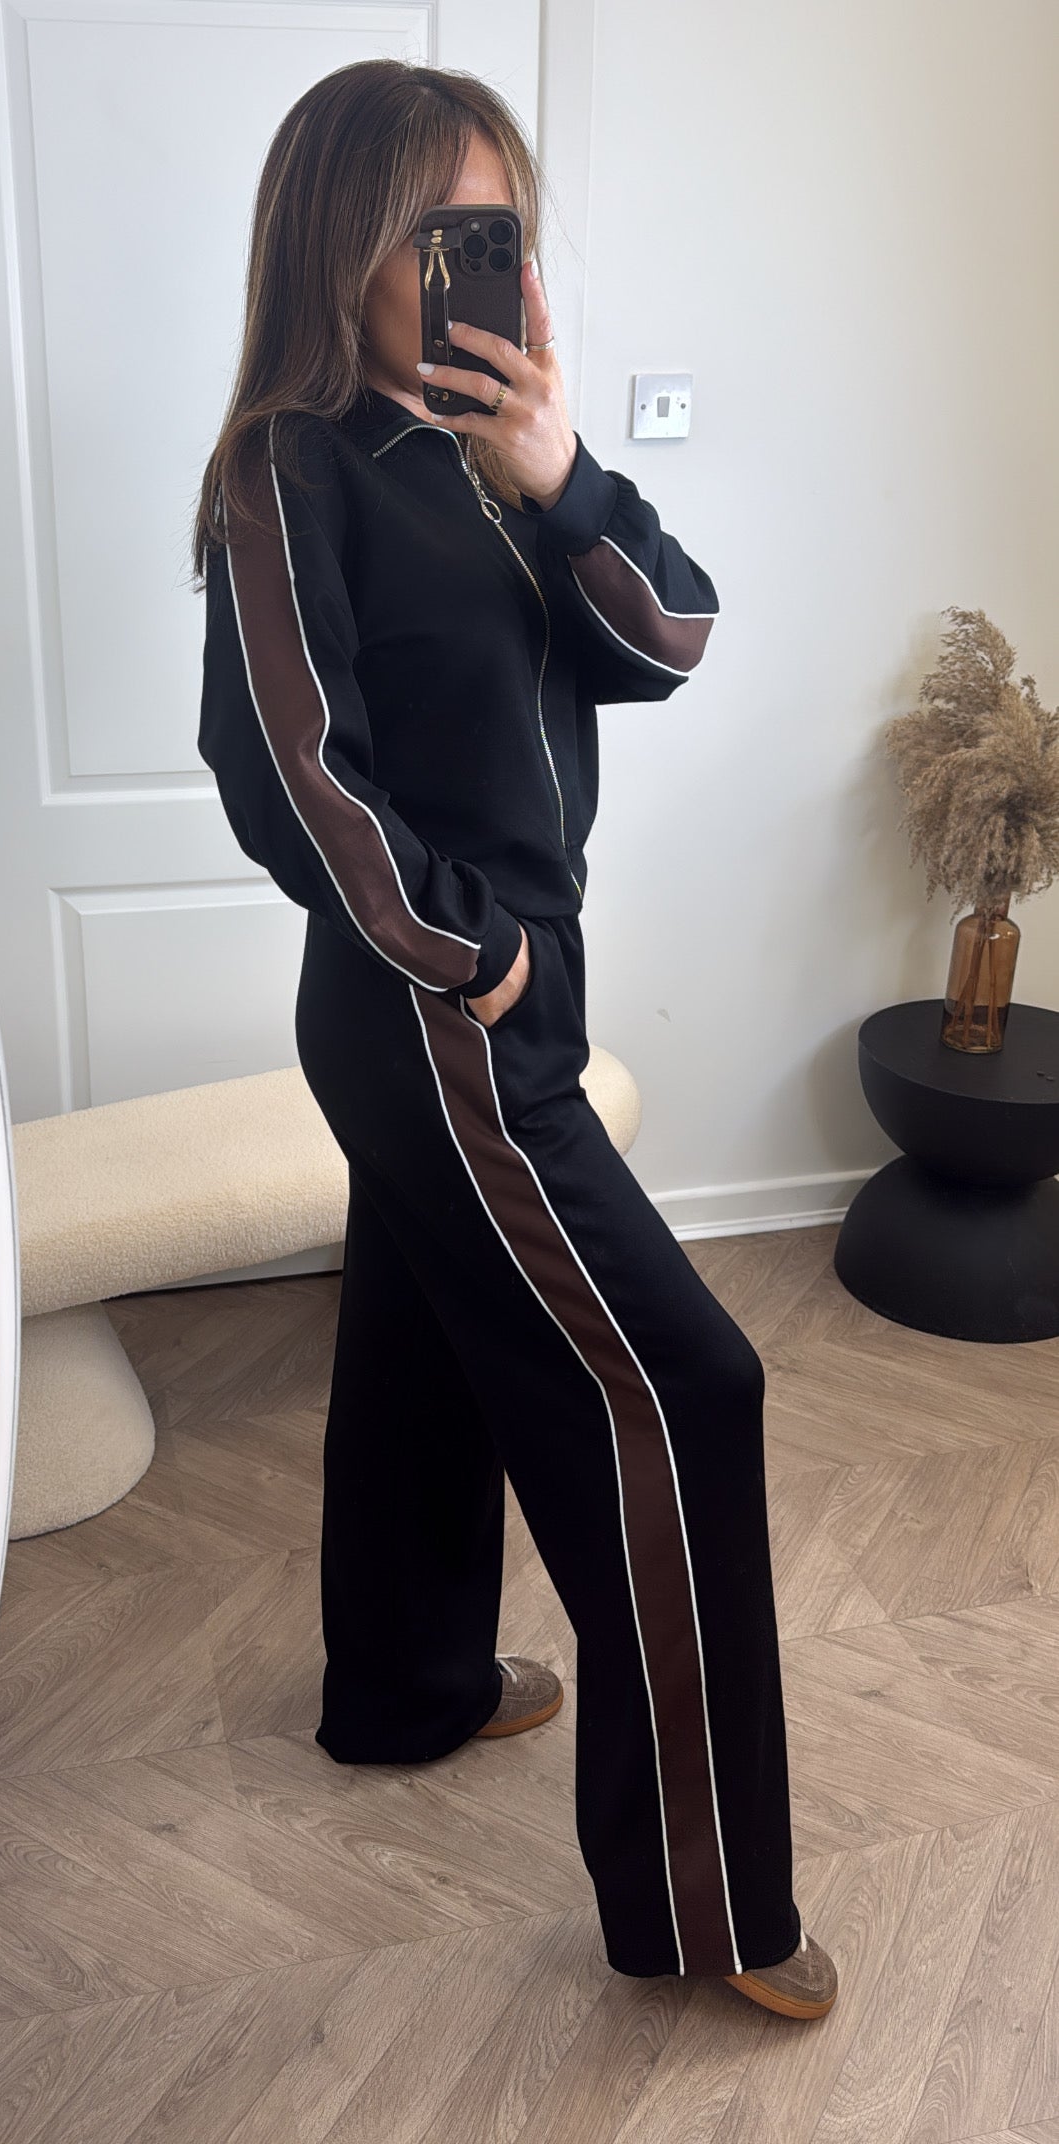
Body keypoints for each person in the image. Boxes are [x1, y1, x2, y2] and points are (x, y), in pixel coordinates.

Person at [191, 56, 837, 2022]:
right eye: (442, 229)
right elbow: (288, 772)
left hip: (472, 1001)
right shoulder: (290, 471)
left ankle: (407, 1688)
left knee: (423, 1337)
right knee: (686, 1387)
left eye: (504, 231)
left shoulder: (496, 460)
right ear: (344, 243)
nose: (486, 267)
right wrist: (473, 961)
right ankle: (709, 1909)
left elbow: (673, 638)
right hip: (440, 1015)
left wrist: (563, 473)